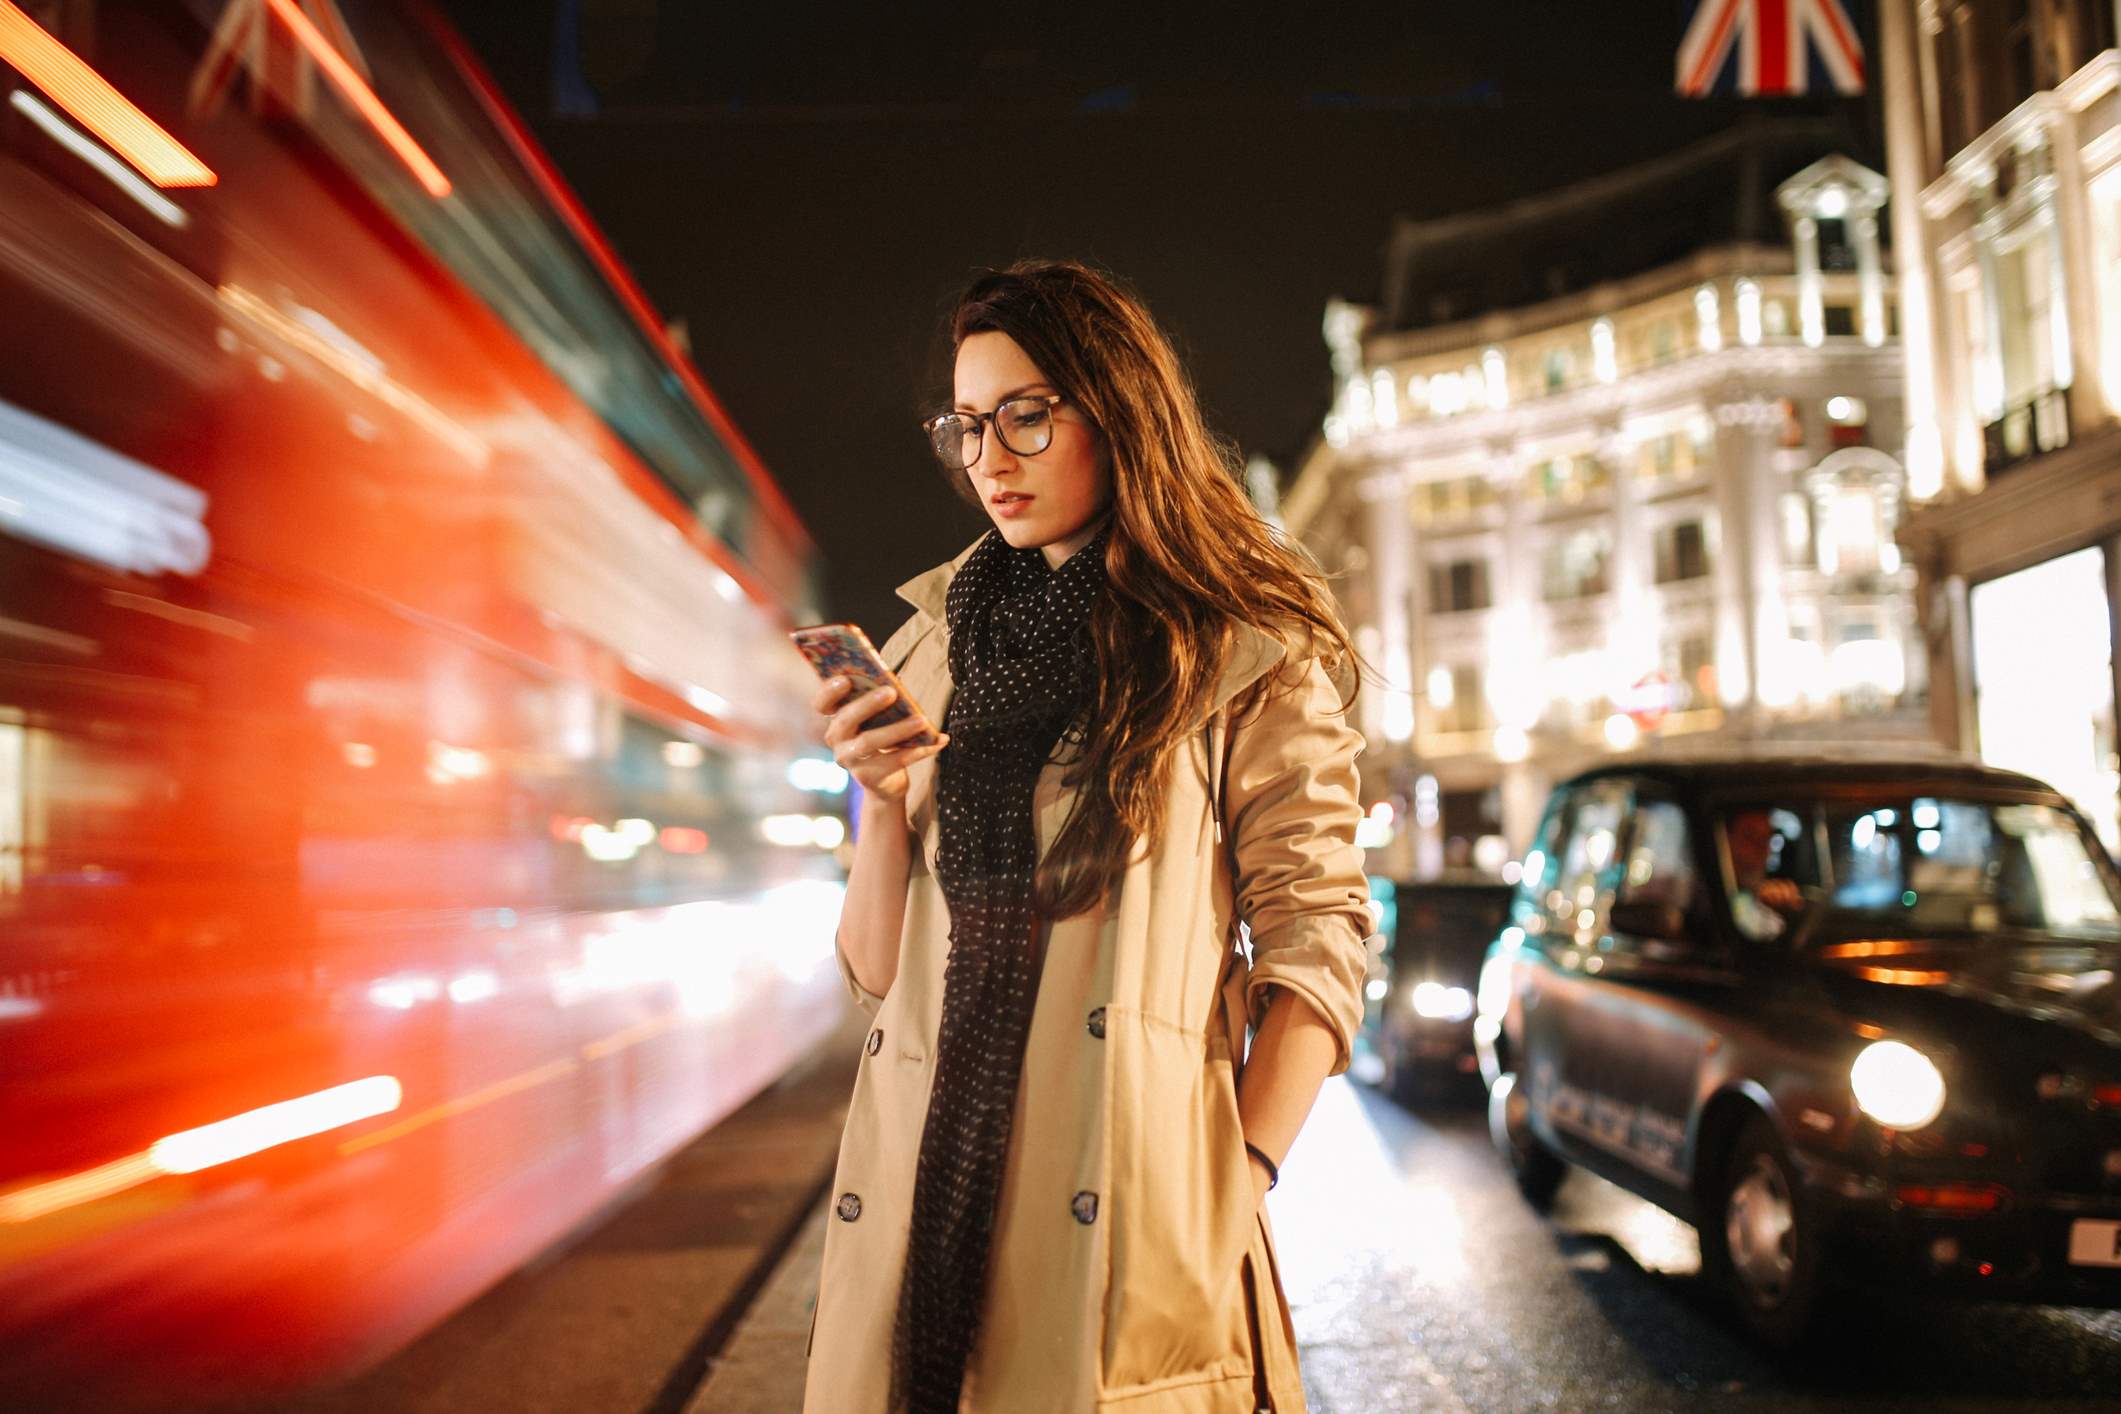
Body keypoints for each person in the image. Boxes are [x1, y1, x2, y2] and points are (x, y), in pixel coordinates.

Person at [802, 260, 1371, 1414]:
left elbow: (1319, 938)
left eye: (1026, 414)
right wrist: (877, 803)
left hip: (1121, 1216)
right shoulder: (930, 649)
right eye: (967, 426)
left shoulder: (1238, 645)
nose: (992, 461)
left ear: (1118, 409)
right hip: (931, 1201)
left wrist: (1232, 1181)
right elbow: (876, 975)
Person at [1726, 808, 1804, 941]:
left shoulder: (1767, 903)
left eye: (1766, 838)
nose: (1762, 848)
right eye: (1750, 837)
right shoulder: (1706, 901)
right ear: (1726, 840)